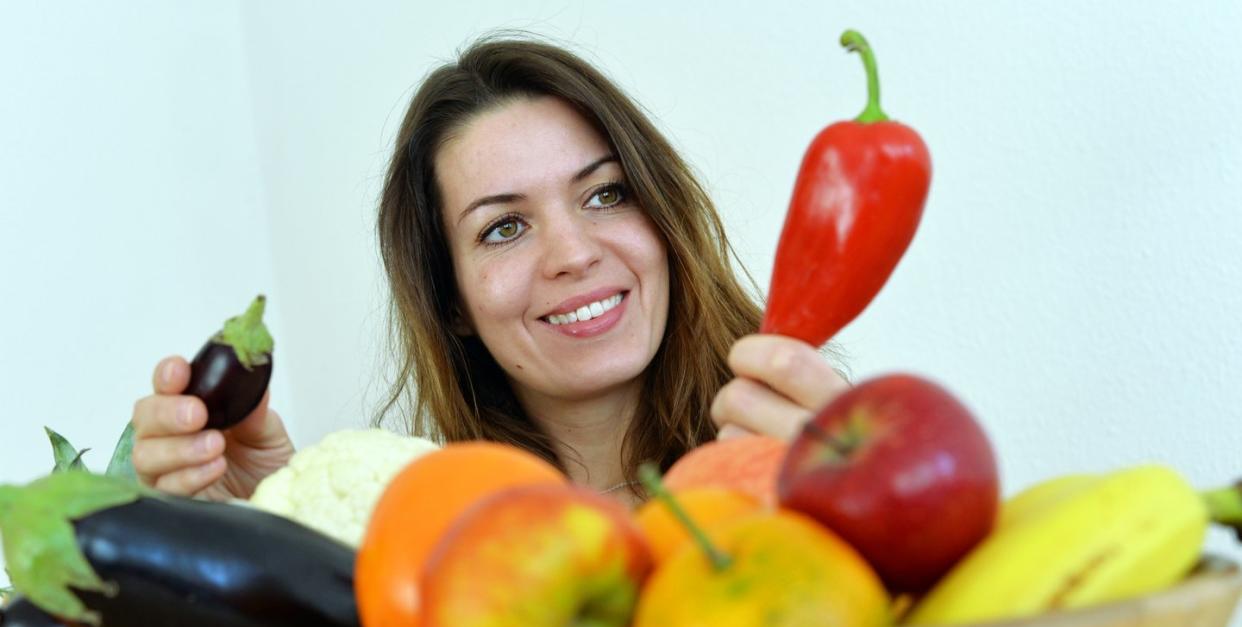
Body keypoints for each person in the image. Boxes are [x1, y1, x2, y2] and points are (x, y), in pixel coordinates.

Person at [130, 34, 849, 506]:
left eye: (606, 193)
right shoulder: (424, 538)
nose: (572, 254)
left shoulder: (801, 443)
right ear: (453, 301)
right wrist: (265, 533)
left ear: (663, 217)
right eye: (504, 227)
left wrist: (859, 505)